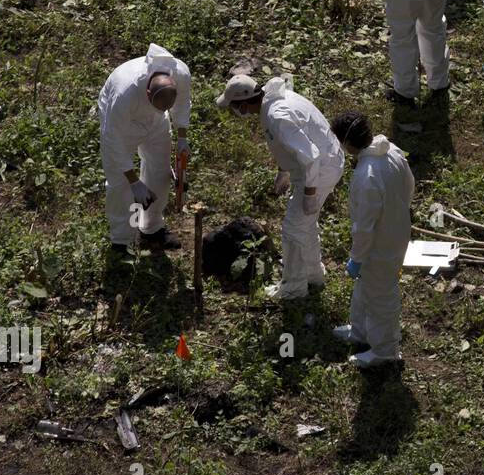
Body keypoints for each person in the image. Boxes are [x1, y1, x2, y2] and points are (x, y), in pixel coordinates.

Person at [216, 75, 344, 301]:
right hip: (320, 164)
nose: (234, 113)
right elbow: (292, 145)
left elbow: (310, 156)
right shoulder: (273, 101)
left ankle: (294, 288)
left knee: (293, 228)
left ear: (244, 104)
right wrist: (284, 171)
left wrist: (310, 193)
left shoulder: (277, 116)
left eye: (234, 107)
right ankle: (313, 274)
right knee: (305, 223)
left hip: (319, 169)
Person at [329, 112, 415, 367]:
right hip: (396, 229)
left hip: (380, 245)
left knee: (381, 295)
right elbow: (409, 184)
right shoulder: (392, 150)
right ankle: (360, 331)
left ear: (347, 143)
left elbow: (364, 228)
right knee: (365, 286)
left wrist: (357, 257)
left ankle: (385, 351)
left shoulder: (366, 176)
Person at [97, 43, 191, 251]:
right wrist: (133, 181)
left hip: (156, 123)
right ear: (147, 93)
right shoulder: (124, 93)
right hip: (124, 126)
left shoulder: (181, 73)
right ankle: (122, 241)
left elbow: (183, 103)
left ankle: (151, 228)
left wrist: (182, 136)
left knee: (159, 171)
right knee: (120, 184)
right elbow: (113, 140)